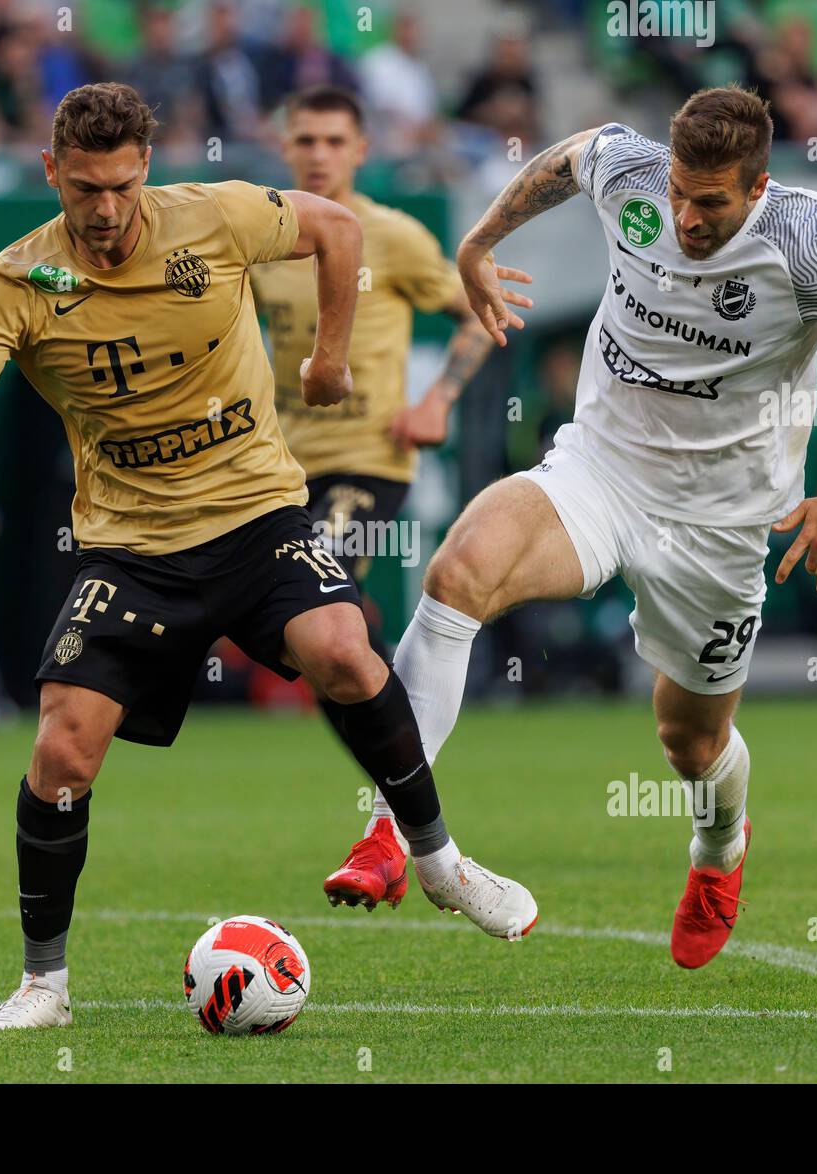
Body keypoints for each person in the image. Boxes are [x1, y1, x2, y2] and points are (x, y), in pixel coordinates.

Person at [0, 82, 534, 1031]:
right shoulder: (15, 283)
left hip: (258, 515)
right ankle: (43, 987)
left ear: (148, 169)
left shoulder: (213, 217)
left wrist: (330, 358)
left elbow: (336, 228)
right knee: (63, 748)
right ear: (52, 173)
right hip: (133, 549)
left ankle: (435, 860)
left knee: (346, 649)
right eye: (85, 189)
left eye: (123, 186)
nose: (105, 211)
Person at [377, 85, 817, 970]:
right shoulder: (638, 172)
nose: (685, 216)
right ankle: (394, 832)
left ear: (759, 186)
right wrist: (479, 242)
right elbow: (570, 155)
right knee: (461, 569)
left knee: (689, 744)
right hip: (601, 472)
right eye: (681, 194)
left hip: (722, 525)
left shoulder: (809, 244)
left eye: (712, 202)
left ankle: (719, 851)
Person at [250, 84, 518, 909]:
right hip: (278, 473)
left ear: (361, 149)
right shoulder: (261, 241)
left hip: (369, 464)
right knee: (321, 649)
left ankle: (391, 830)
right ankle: (398, 813)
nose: (320, 153)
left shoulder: (392, 236)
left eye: (335, 139)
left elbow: (483, 310)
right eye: (306, 139)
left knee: (328, 606)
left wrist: (436, 399)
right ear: (285, 147)